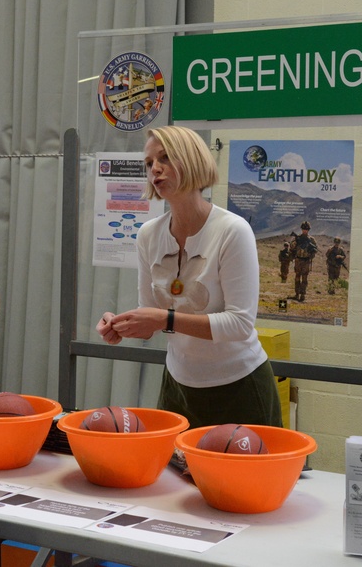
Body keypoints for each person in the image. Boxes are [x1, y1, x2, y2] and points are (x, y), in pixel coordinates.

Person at [96, 126, 282, 430]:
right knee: (173, 477)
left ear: (192, 160)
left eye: (165, 158)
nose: (155, 169)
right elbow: (150, 319)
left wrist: (163, 319)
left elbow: (239, 323)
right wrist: (120, 323)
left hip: (240, 387)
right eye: (149, 163)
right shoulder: (148, 235)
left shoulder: (232, 230)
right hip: (177, 388)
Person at [291, 221, 318, 302]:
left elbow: (315, 250)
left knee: (304, 278)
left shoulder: (311, 240)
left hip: (306, 261)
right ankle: (297, 294)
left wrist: (311, 253)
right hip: (298, 260)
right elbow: (292, 248)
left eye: (306, 229)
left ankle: (302, 294)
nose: (304, 230)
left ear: (308, 230)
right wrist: (295, 242)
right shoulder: (297, 237)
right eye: (303, 229)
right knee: (297, 278)